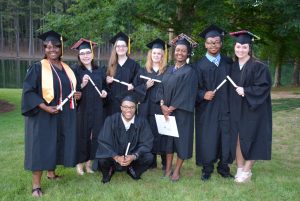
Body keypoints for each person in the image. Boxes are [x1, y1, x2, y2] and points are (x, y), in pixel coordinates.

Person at [21, 30, 81, 197]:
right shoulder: (37, 68)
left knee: (56, 144)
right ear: (44, 48)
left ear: (61, 49)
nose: (52, 49)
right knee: (41, 147)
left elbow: (72, 90)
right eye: (48, 47)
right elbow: (28, 92)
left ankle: (51, 173)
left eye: (55, 46)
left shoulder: (67, 69)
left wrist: (77, 95)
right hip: (42, 115)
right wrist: (44, 106)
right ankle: (36, 186)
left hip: (61, 114)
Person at [229, 30, 272, 183]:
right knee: (238, 138)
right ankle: (240, 167)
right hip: (237, 108)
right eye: (238, 46)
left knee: (254, 137)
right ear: (234, 47)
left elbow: (264, 87)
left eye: (244, 47)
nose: (241, 50)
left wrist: (246, 90)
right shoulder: (232, 66)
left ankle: (247, 172)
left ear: (250, 48)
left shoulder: (259, 66)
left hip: (255, 109)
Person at [194, 25, 234, 181]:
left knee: (225, 136)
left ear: (221, 44)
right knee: (208, 137)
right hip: (207, 109)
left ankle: (224, 168)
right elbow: (193, 89)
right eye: (210, 42)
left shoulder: (228, 62)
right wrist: (203, 94)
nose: (213, 45)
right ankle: (207, 168)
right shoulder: (198, 65)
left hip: (225, 107)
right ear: (205, 44)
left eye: (216, 42)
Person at [157, 33, 198, 181]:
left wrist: (171, 107)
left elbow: (188, 93)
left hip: (182, 114)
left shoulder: (190, 72)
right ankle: (167, 170)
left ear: (188, 53)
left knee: (181, 142)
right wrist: (162, 105)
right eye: (177, 50)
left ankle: (177, 171)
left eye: (183, 50)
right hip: (167, 112)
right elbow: (161, 88)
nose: (180, 53)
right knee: (169, 142)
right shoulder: (168, 69)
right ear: (174, 52)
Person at [94, 93, 154, 183]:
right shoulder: (111, 120)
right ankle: (108, 173)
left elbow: (147, 142)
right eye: (125, 107)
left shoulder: (142, 122)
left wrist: (133, 156)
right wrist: (116, 157)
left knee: (149, 157)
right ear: (121, 107)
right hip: (113, 158)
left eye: (131, 107)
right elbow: (103, 142)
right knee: (102, 159)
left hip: (131, 159)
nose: (128, 110)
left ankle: (132, 171)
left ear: (136, 108)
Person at [71, 38, 108, 175]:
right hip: (83, 108)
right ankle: (79, 164)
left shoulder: (100, 71)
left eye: (88, 53)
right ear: (79, 56)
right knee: (82, 136)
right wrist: (82, 85)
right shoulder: (75, 71)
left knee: (95, 136)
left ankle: (89, 164)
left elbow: (105, 88)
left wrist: (105, 92)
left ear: (92, 55)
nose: (85, 56)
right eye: (82, 53)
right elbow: (73, 91)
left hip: (98, 108)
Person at [134, 38, 169, 170]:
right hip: (145, 109)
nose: (156, 56)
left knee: (163, 134)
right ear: (150, 55)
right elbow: (135, 90)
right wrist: (145, 86)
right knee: (148, 134)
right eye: (154, 53)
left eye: (159, 53)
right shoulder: (143, 71)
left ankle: (165, 162)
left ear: (162, 55)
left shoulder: (167, 71)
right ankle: (151, 161)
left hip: (160, 108)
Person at [105, 31, 141, 115]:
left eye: (123, 46)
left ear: (127, 47)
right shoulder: (110, 65)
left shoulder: (134, 65)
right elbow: (103, 86)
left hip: (128, 104)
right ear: (115, 48)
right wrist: (106, 81)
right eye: (118, 46)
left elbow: (139, 84)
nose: (120, 48)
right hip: (112, 103)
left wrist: (133, 87)